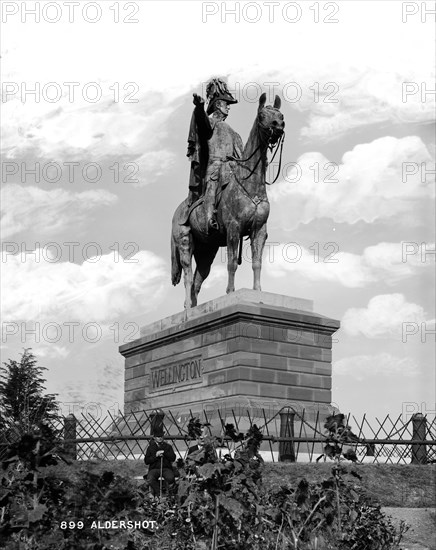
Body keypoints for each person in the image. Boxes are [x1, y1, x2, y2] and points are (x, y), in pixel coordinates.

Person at [186, 78, 243, 232]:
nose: (229, 108)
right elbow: (202, 121)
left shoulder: (235, 134)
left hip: (233, 169)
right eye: (227, 104)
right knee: (213, 184)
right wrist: (199, 107)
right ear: (218, 104)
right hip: (215, 167)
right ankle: (209, 218)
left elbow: (242, 158)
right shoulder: (210, 123)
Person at [144, 428, 176, 497]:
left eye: (161, 436)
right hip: (154, 469)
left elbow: (173, 458)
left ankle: (168, 493)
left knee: (170, 478)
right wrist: (156, 456)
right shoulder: (150, 448)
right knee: (150, 479)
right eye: (158, 437)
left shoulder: (168, 447)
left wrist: (164, 453)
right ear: (154, 438)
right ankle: (159, 493)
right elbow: (146, 461)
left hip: (166, 468)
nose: (160, 438)